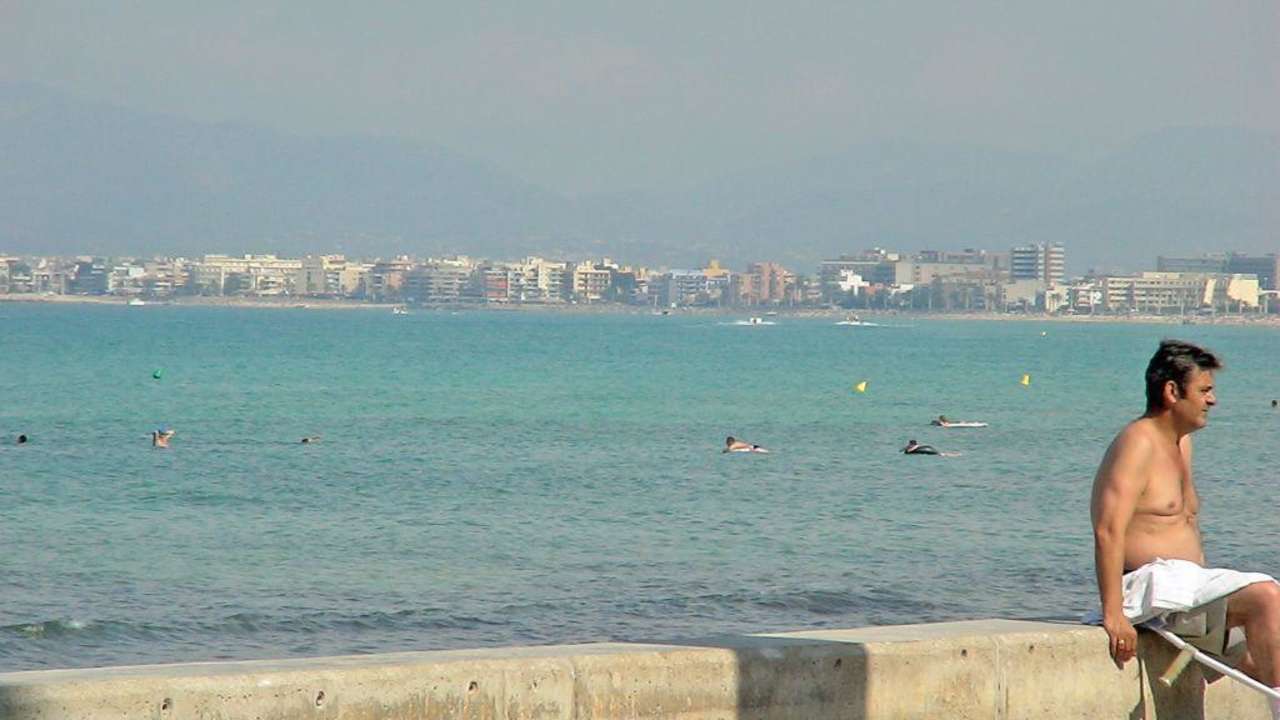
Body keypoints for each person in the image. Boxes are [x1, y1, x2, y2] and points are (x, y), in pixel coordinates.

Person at [1090, 340, 1280, 713]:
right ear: (1172, 391)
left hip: (1187, 590)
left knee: (1264, 656)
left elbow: (1186, 523)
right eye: (1205, 390)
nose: (1213, 401)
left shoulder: (1181, 443)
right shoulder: (1137, 443)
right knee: (1267, 597)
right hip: (1151, 587)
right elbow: (1107, 528)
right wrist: (1113, 613)